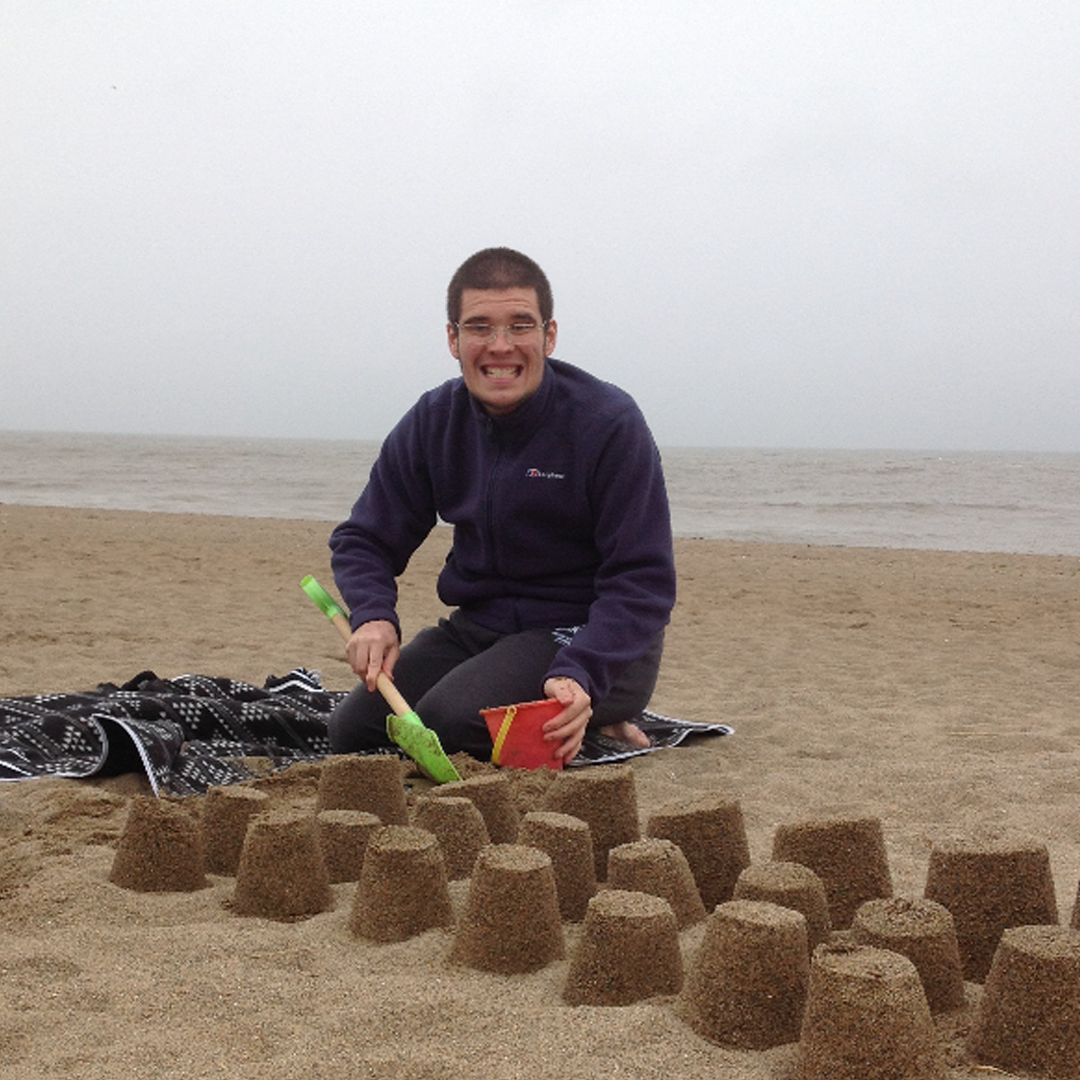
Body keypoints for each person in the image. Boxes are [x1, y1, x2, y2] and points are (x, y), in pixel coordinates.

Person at [327, 247, 676, 764]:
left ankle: (599, 713)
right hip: (482, 629)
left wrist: (583, 669)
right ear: (453, 338)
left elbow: (643, 582)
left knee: (448, 722)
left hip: (592, 639)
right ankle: (574, 718)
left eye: (520, 326)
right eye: (479, 328)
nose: (500, 346)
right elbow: (365, 538)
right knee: (354, 730)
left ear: (549, 335)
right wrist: (374, 615)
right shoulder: (434, 420)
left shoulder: (607, 423)